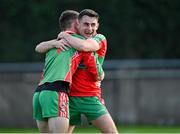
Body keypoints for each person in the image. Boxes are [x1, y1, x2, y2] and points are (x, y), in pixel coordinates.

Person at [36, 9, 118, 133]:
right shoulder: (68, 40)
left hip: (90, 96)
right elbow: (39, 47)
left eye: (93, 25)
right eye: (86, 24)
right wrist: (54, 42)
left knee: (111, 132)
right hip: (69, 97)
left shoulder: (99, 38)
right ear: (77, 24)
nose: (90, 28)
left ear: (98, 26)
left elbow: (84, 46)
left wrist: (64, 35)